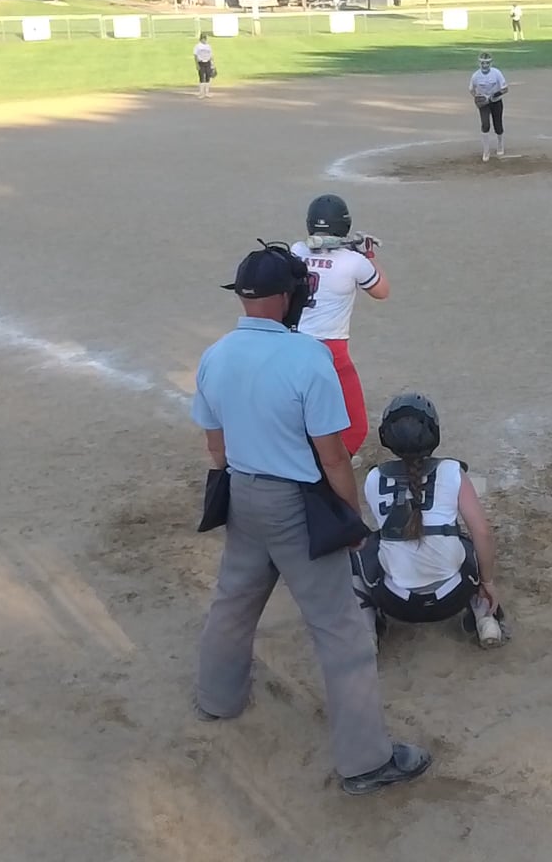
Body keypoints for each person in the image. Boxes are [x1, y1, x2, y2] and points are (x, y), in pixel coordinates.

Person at [191, 244, 430, 796]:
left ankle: (217, 700)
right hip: (296, 504)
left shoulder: (215, 355)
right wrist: (348, 520)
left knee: (233, 602)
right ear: (287, 297)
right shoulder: (307, 358)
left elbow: (216, 449)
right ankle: (365, 761)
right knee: (341, 630)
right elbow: (333, 457)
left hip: (243, 495)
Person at [352, 394, 506, 649]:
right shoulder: (452, 472)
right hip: (453, 598)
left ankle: (366, 629)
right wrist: (487, 581)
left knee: (359, 552)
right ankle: (485, 617)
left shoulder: (374, 478)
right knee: (469, 543)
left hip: (395, 603)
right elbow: (483, 532)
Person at [290, 194, 389, 458]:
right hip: (331, 352)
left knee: (298, 411)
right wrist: (367, 254)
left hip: (292, 346)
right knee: (355, 427)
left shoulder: (296, 251)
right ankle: (332, 466)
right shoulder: (355, 262)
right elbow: (381, 291)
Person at [469, 52, 509, 162]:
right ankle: (486, 151)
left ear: (490, 63)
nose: (485, 65)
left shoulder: (496, 73)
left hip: (496, 102)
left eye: (487, 63)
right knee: (485, 125)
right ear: (479, 63)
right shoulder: (476, 76)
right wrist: (477, 97)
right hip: (484, 104)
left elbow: (505, 89)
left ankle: (500, 145)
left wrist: (492, 97)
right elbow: (471, 89)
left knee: (498, 126)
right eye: (482, 63)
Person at [194, 34, 214, 98]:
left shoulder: (208, 46)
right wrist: (197, 64)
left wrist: (212, 64)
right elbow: (195, 55)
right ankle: (201, 93)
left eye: (205, 39)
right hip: (201, 62)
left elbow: (211, 55)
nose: (204, 40)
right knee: (202, 77)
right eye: (203, 39)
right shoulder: (197, 46)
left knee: (208, 77)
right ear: (201, 39)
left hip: (208, 62)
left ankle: (207, 92)